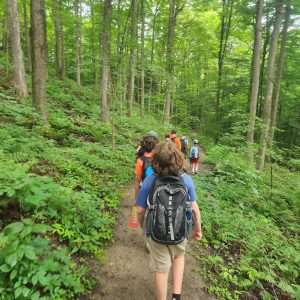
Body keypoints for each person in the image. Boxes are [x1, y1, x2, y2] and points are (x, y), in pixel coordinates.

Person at [136, 142, 202, 300]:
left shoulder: (150, 180)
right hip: (180, 231)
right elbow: (195, 210)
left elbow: (139, 210)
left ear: (155, 160)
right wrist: (197, 229)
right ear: (179, 159)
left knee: (162, 270)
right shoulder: (186, 180)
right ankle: (176, 296)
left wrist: (143, 227)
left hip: (157, 233)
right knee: (179, 257)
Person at [134, 134, 159, 200]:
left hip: (145, 189)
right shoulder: (159, 158)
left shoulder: (140, 160)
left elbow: (138, 180)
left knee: (141, 210)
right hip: (158, 189)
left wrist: (136, 197)